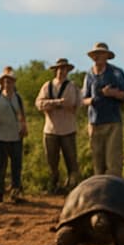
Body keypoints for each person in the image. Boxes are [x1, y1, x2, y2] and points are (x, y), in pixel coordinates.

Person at [81, 41, 124, 177]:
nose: (97, 57)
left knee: (113, 161)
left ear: (107, 56)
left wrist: (112, 93)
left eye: (100, 54)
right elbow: (83, 99)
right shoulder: (89, 75)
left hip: (112, 122)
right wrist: (92, 100)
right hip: (94, 123)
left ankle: (115, 193)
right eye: (95, 54)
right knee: (97, 163)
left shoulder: (116, 73)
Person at [0, 67, 28, 203]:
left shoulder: (17, 98)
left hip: (15, 135)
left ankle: (15, 192)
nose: (8, 84)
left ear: (14, 83)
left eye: (10, 81)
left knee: (16, 166)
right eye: (5, 81)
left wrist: (24, 127)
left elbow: (22, 115)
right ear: (2, 83)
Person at [35, 57, 81, 193]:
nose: (62, 71)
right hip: (50, 130)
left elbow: (76, 104)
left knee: (71, 160)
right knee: (51, 161)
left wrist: (52, 104)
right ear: (55, 70)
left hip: (68, 129)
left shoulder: (72, 86)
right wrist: (57, 103)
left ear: (68, 71)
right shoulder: (47, 86)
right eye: (60, 69)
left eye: (64, 69)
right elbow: (39, 104)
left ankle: (72, 186)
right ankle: (53, 186)